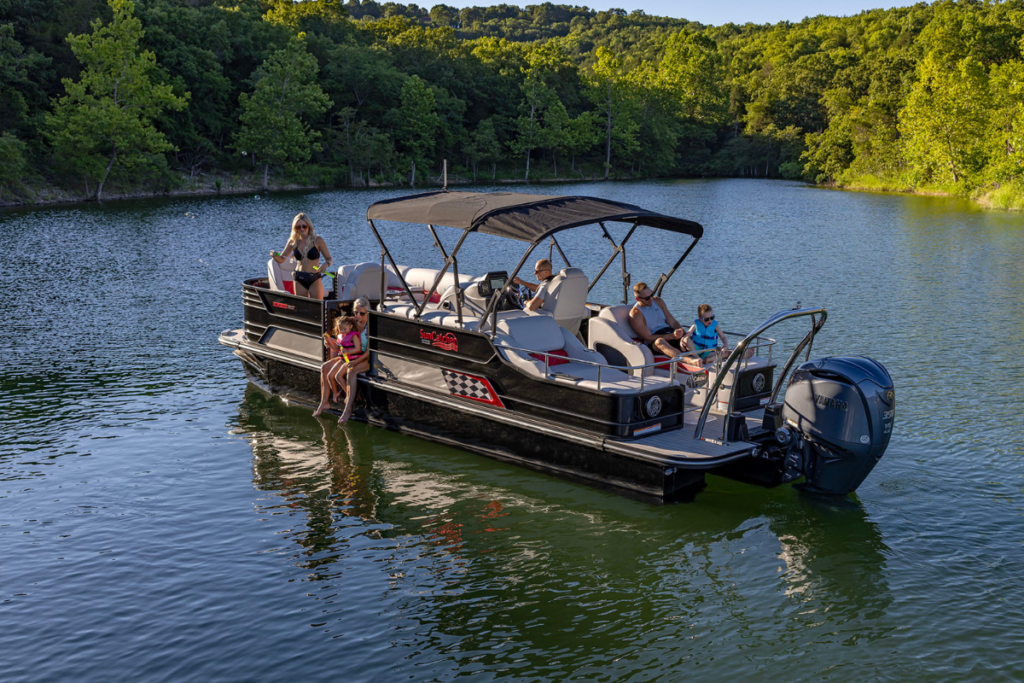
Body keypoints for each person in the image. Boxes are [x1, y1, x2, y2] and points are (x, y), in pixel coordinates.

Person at [270, 212, 332, 300]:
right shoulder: (293, 241)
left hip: (314, 277)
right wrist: (274, 256)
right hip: (299, 277)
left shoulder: (318, 240)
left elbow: (329, 259)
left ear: (309, 226)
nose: (301, 229)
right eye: (298, 227)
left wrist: (326, 264)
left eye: (304, 226)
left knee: (318, 307)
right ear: (295, 228)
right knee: (301, 307)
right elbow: (282, 259)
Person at [313, 314, 361, 417]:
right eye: (340, 329)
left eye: (344, 329)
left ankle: (349, 395)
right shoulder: (340, 335)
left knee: (338, 376)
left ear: (351, 326)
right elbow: (335, 347)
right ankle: (335, 393)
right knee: (330, 375)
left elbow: (358, 349)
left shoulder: (353, 335)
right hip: (342, 358)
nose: (342, 331)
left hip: (351, 359)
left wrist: (348, 350)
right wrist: (328, 340)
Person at [628, 282, 690, 360]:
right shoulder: (636, 314)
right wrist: (671, 336)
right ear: (638, 299)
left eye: (651, 295)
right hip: (656, 341)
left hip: (669, 333)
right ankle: (688, 361)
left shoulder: (658, 301)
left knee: (690, 336)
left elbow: (673, 322)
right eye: (647, 298)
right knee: (660, 342)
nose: (651, 299)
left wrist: (683, 333)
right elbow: (649, 338)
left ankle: (702, 356)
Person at [337, 297, 371, 424]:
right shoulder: (353, 324)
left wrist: (354, 362)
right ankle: (350, 397)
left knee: (351, 371)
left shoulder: (370, 326)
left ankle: (348, 408)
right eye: (356, 312)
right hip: (355, 355)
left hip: (368, 357)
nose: (358, 316)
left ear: (368, 313)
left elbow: (368, 352)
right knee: (329, 369)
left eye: (362, 313)